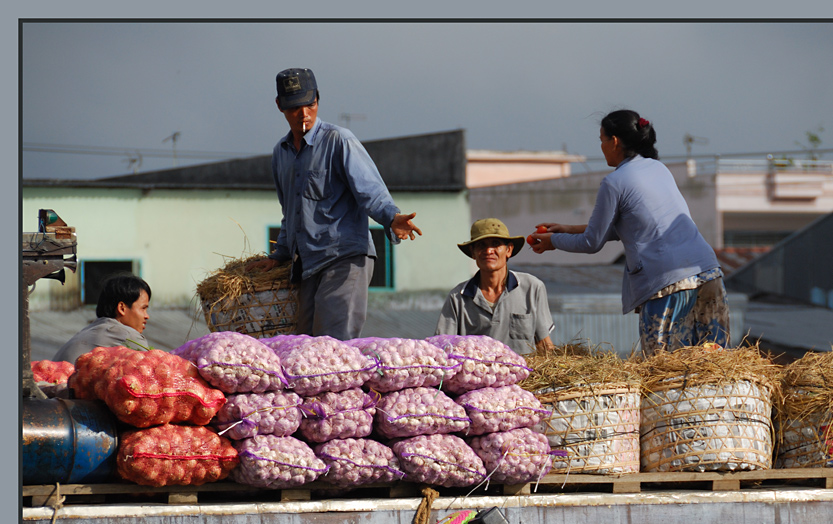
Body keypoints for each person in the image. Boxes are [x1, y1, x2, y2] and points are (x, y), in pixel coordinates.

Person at [528, 109, 728, 356]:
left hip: (669, 282)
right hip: (708, 272)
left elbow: (592, 241)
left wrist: (554, 242)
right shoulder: (658, 169)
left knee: (665, 368)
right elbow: (633, 227)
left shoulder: (614, 182)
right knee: (715, 360)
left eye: (601, 140)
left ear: (614, 141)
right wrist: (567, 229)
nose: (601, 147)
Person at [249, 68, 422, 340]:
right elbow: (290, 213)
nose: (304, 113)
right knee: (303, 347)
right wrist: (279, 255)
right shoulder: (280, 154)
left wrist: (391, 217)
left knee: (333, 349)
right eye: (294, 107)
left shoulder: (339, 140)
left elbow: (370, 190)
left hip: (344, 259)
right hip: (307, 266)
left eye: (310, 104)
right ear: (280, 105)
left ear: (318, 99)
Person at [436, 218, 556, 355]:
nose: (488, 251)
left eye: (495, 244)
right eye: (481, 245)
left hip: (524, 374)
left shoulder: (532, 288)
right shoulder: (458, 297)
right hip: (477, 375)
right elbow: (443, 348)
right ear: (473, 252)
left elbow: (544, 344)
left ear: (508, 250)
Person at [53, 273, 151, 364]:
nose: (147, 316)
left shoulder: (88, 330)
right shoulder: (128, 335)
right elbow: (150, 370)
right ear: (122, 308)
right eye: (143, 308)